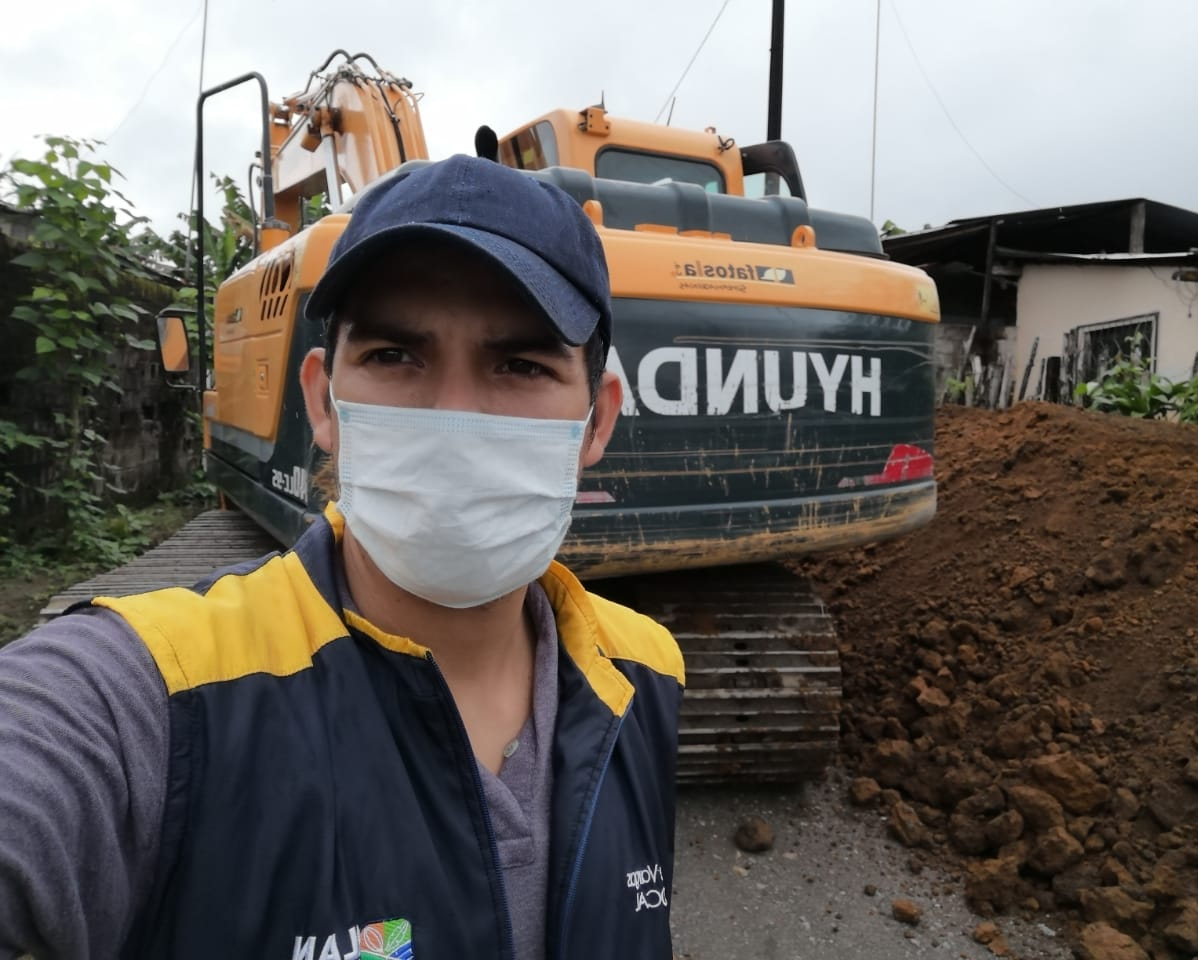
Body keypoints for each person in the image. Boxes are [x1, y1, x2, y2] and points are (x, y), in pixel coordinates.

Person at [0, 155, 685, 960]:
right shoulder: (158, 701)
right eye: (395, 356)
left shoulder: (646, 671)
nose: (454, 418)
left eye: (521, 366)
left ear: (597, 422)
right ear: (322, 400)